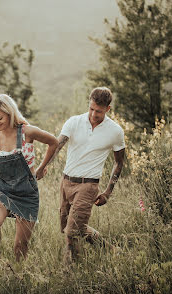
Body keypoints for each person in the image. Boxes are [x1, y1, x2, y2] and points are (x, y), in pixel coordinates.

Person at [0, 94, 58, 268]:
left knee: (20, 247)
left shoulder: (27, 132)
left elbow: (54, 142)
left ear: (10, 114)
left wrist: (42, 168)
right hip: (3, 188)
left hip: (27, 192)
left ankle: (19, 279)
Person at [50, 87, 125, 263]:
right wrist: (43, 166)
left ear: (108, 109)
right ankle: (112, 250)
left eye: (98, 111)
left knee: (71, 232)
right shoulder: (74, 122)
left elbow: (119, 162)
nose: (93, 114)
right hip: (66, 182)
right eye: (91, 108)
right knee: (69, 227)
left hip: (88, 185)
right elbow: (57, 146)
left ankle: (71, 271)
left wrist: (107, 192)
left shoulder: (115, 131)